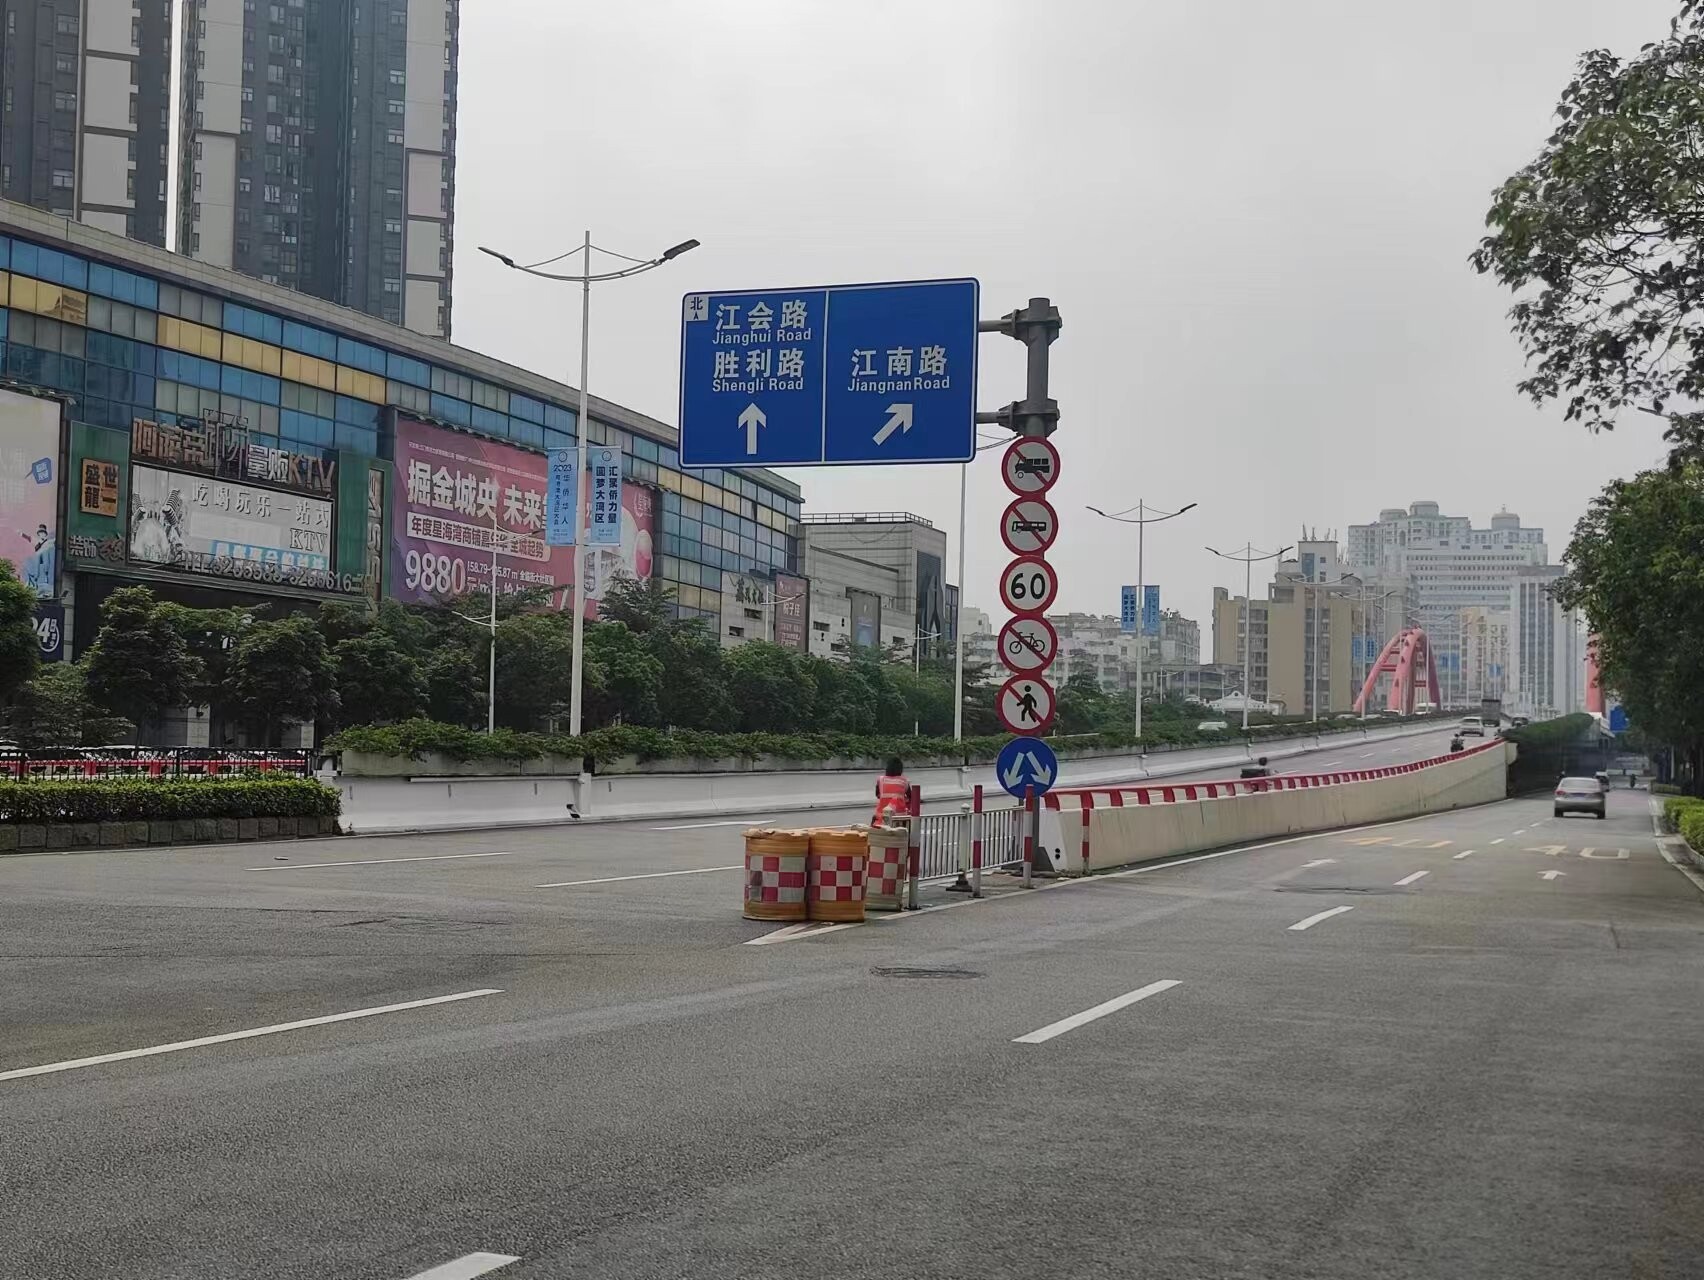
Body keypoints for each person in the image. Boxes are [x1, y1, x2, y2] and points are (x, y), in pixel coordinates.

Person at [872, 756, 910, 826]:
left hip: (882, 817)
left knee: (874, 821)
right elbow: (910, 796)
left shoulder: (881, 779)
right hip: (900, 817)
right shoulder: (904, 781)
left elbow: (877, 795)